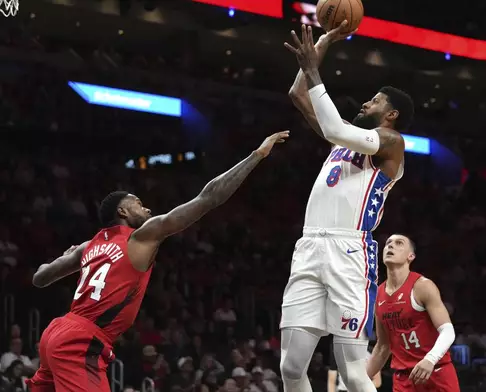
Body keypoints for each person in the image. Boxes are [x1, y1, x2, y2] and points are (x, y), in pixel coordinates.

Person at [26, 131, 290, 392]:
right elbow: (208, 198)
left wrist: (64, 256)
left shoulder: (87, 247)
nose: (148, 209)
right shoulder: (140, 238)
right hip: (82, 339)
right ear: (123, 211)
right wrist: (256, 155)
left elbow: (40, 278)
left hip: (56, 332)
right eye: (139, 204)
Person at [280, 21, 414, 392]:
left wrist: (313, 69)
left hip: (349, 250)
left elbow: (336, 128)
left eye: (376, 100)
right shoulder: (342, 140)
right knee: (291, 367)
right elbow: (297, 93)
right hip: (309, 247)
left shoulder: (391, 142)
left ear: (391, 115)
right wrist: (324, 41)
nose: (367, 102)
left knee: (353, 371)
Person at [366, 234, 460, 392]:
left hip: (436, 371)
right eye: (388, 243)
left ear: (411, 256)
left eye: (399, 243)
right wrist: (358, 381)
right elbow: (383, 347)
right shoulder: (378, 295)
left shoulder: (422, 286)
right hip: (404, 380)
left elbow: (448, 330)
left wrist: (430, 359)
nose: (390, 246)